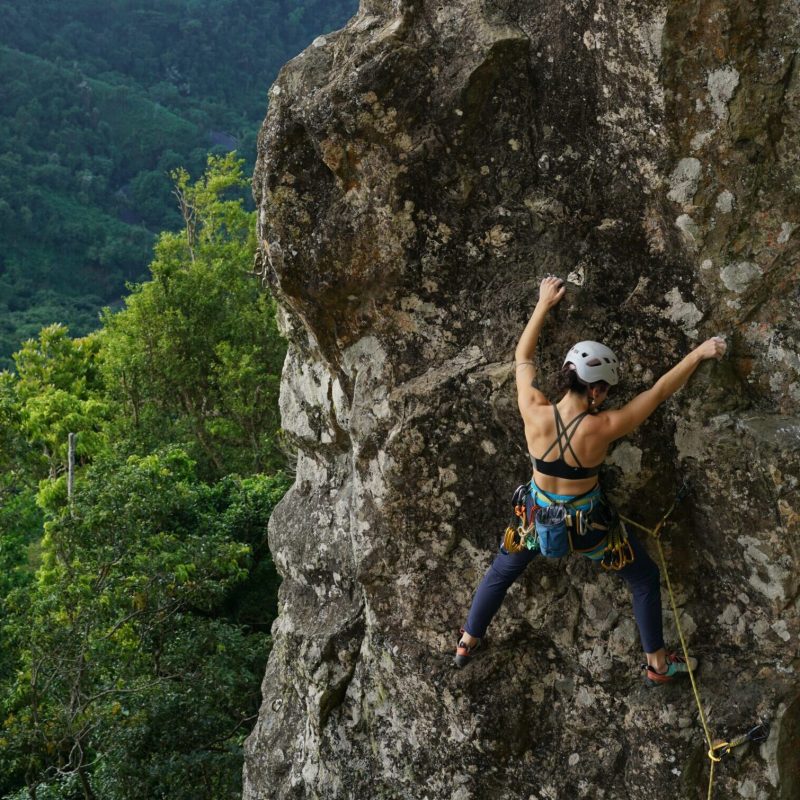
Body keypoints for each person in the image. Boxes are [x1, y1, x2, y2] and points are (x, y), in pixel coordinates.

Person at [454, 275, 727, 685]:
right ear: (597, 391)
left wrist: (543, 304)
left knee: (500, 572)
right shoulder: (605, 426)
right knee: (643, 577)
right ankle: (656, 663)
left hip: (534, 517)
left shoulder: (533, 408)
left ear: (567, 374)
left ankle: (467, 641)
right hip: (590, 529)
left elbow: (522, 356)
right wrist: (699, 353)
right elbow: (658, 391)